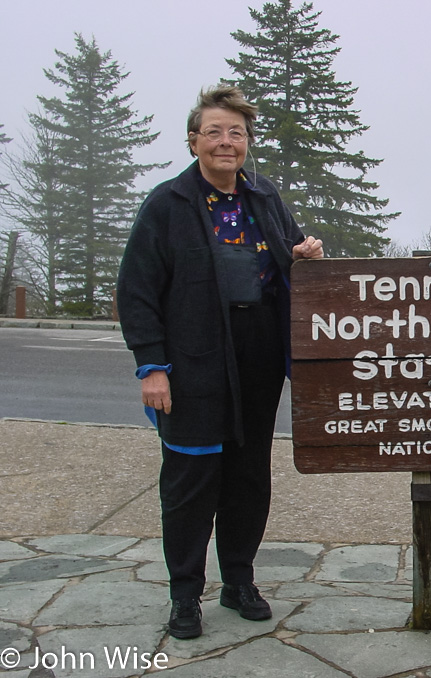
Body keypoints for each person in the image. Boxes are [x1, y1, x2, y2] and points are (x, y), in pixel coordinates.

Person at [117, 85, 324, 640]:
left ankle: (238, 581)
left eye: (236, 132)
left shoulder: (264, 196)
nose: (225, 142)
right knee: (190, 480)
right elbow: (136, 289)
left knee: (248, 475)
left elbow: (288, 253)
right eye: (214, 132)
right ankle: (185, 595)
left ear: (248, 143)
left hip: (257, 353)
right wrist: (151, 367)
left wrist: (303, 255)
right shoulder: (167, 204)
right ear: (193, 142)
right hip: (193, 359)